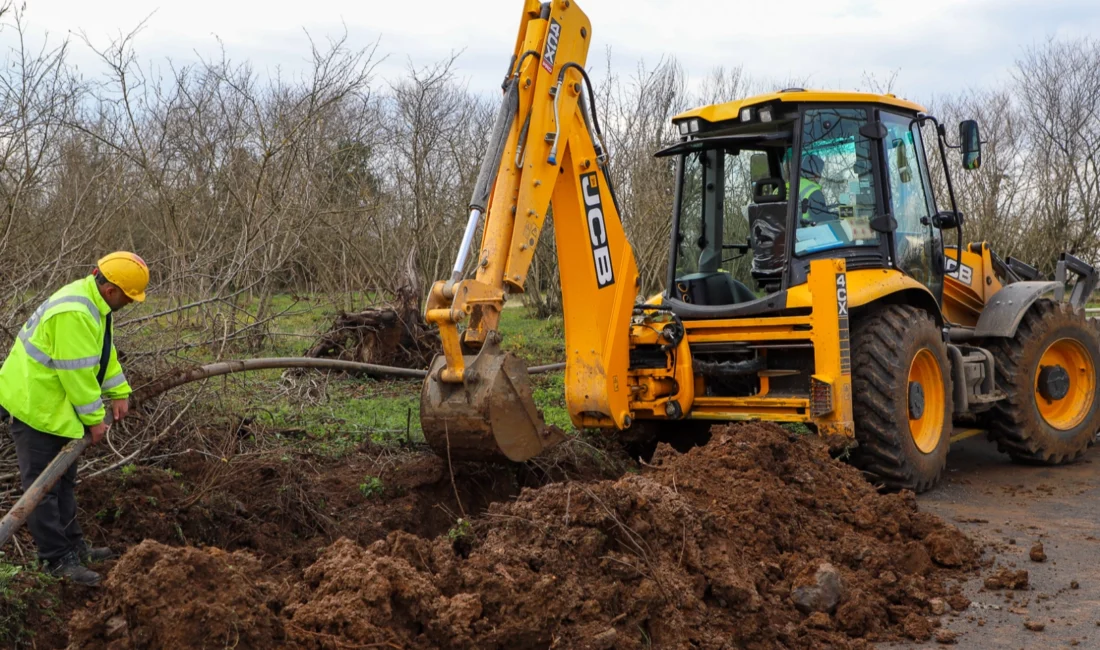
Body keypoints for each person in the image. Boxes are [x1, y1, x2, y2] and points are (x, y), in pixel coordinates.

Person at [0, 252, 149, 586]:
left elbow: (103, 353)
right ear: (111, 289)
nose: (131, 302)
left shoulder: (95, 304)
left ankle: (73, 547)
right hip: (35, 406)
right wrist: (97, 420)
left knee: (64, 480)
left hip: (56, 406)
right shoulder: (74, 312)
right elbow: (77, 373)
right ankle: (55, 560)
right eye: (129, 296)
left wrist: (119, 390)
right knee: (43, 488)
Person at [798, 154, 833, 224]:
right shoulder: (813, 191)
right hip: (807, 232)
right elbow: (824, 219)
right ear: (814, 173)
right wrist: (838, 217)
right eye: (819, 172)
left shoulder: (778, 190)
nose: (820, 177)